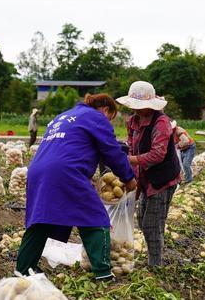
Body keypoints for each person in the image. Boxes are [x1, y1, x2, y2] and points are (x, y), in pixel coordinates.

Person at [16, 93, 136, 280]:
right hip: (65, 170)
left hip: (38, 170)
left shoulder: (64, 116)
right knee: (95, 216)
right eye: (111, 118)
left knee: (41, 221)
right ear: (106, 109)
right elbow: (112, 151)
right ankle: (103, 272)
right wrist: (128, 178)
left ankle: (23, 269)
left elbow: (71, 146)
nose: (109, 122)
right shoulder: (96, 117)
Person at [118, 81, 181, 268]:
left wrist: (130, 160)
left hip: (163, 178)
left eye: (140, 107)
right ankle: (153, 258)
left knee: (152, 223)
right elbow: (132, 147)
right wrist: (134, 182)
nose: (137, 110)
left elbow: (157, 155)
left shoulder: (161, 123)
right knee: (142, 219)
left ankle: (155, 265)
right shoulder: (133, 121)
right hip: (146, 178)